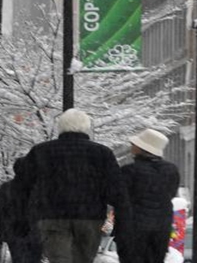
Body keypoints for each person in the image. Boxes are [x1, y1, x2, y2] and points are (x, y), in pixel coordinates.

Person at [14, 108, 130, 263]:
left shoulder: (41, 151)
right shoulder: (102, 153)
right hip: (90, 217)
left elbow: (23, 185)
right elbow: (116, 190)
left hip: (52, 216)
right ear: (86, 127)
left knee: (59, 258)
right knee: (83, 258)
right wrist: (122, 220)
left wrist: (26, 214)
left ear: (60, 127)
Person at [118, 128, 180, 263]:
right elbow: (171, 193)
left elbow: (118, 197)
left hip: (132, 228)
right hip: (161, 227)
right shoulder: (171, 170)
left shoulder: (129, 171)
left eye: (135, 144)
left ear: (141, 149)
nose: (132, 146)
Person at [0, 157, 43, 263]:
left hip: (14, 232)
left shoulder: (5, 188)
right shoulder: (40, 189)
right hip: (34, 233)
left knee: (19, 258)